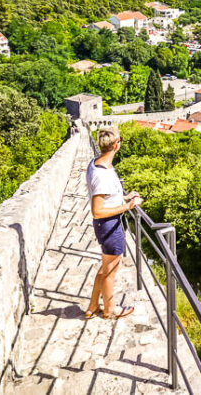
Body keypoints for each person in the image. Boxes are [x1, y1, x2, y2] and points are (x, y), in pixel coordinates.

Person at [85, 127, 143, 319]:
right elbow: (97, 211)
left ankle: (93, 305)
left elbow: (109, 195)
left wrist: (125, 197)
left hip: (107, 225)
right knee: (110, 270)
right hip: (109, 226)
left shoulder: (98, 164)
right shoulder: (101, 175)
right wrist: (129, 207)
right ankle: (110, 310)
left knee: (105, 268)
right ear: (116, 145)